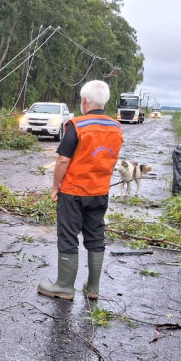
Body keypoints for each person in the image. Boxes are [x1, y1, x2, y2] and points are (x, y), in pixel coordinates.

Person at [37, 80, 123, 301]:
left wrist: (55, 186)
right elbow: (111, 159)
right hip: (100, 192)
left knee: (68, 235)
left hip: (74, 192)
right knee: (96, 236)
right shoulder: (116, 127)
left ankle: (65, 286)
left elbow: (63, 160)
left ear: (85, 101)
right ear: (105, 101)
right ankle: (93, 288)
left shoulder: (77, 126)